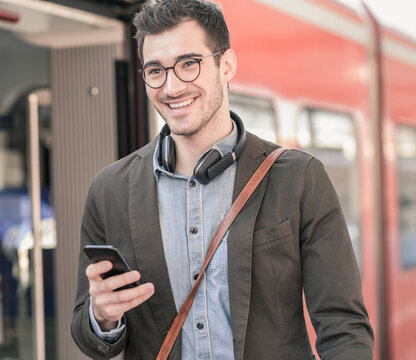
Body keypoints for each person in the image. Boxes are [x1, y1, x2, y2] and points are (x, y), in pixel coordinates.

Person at [71, 0, 374, 359]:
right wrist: (102, 317)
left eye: (188, 64)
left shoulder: (300, 178)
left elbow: (345, 329)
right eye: (155, 71)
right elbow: (87, 333)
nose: (171, 87)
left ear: (226, 64)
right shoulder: (110, 190)